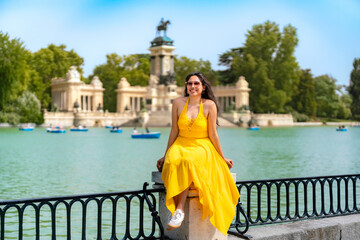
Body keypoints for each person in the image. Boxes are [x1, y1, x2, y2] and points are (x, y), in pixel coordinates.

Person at [156, 72, 240, 236]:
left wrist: (222, 157)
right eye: (189, 83)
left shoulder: (209, 105)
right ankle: (178, 209)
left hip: (202, 144)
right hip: (181, 142)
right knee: (173, 162)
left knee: (188, 161)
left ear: (203, 87)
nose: (192, 86)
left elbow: (213, 134)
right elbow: (174, 130)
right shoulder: (178, 103)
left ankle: (179, 210)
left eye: (196, 84)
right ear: (186, 86)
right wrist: (165, 154)